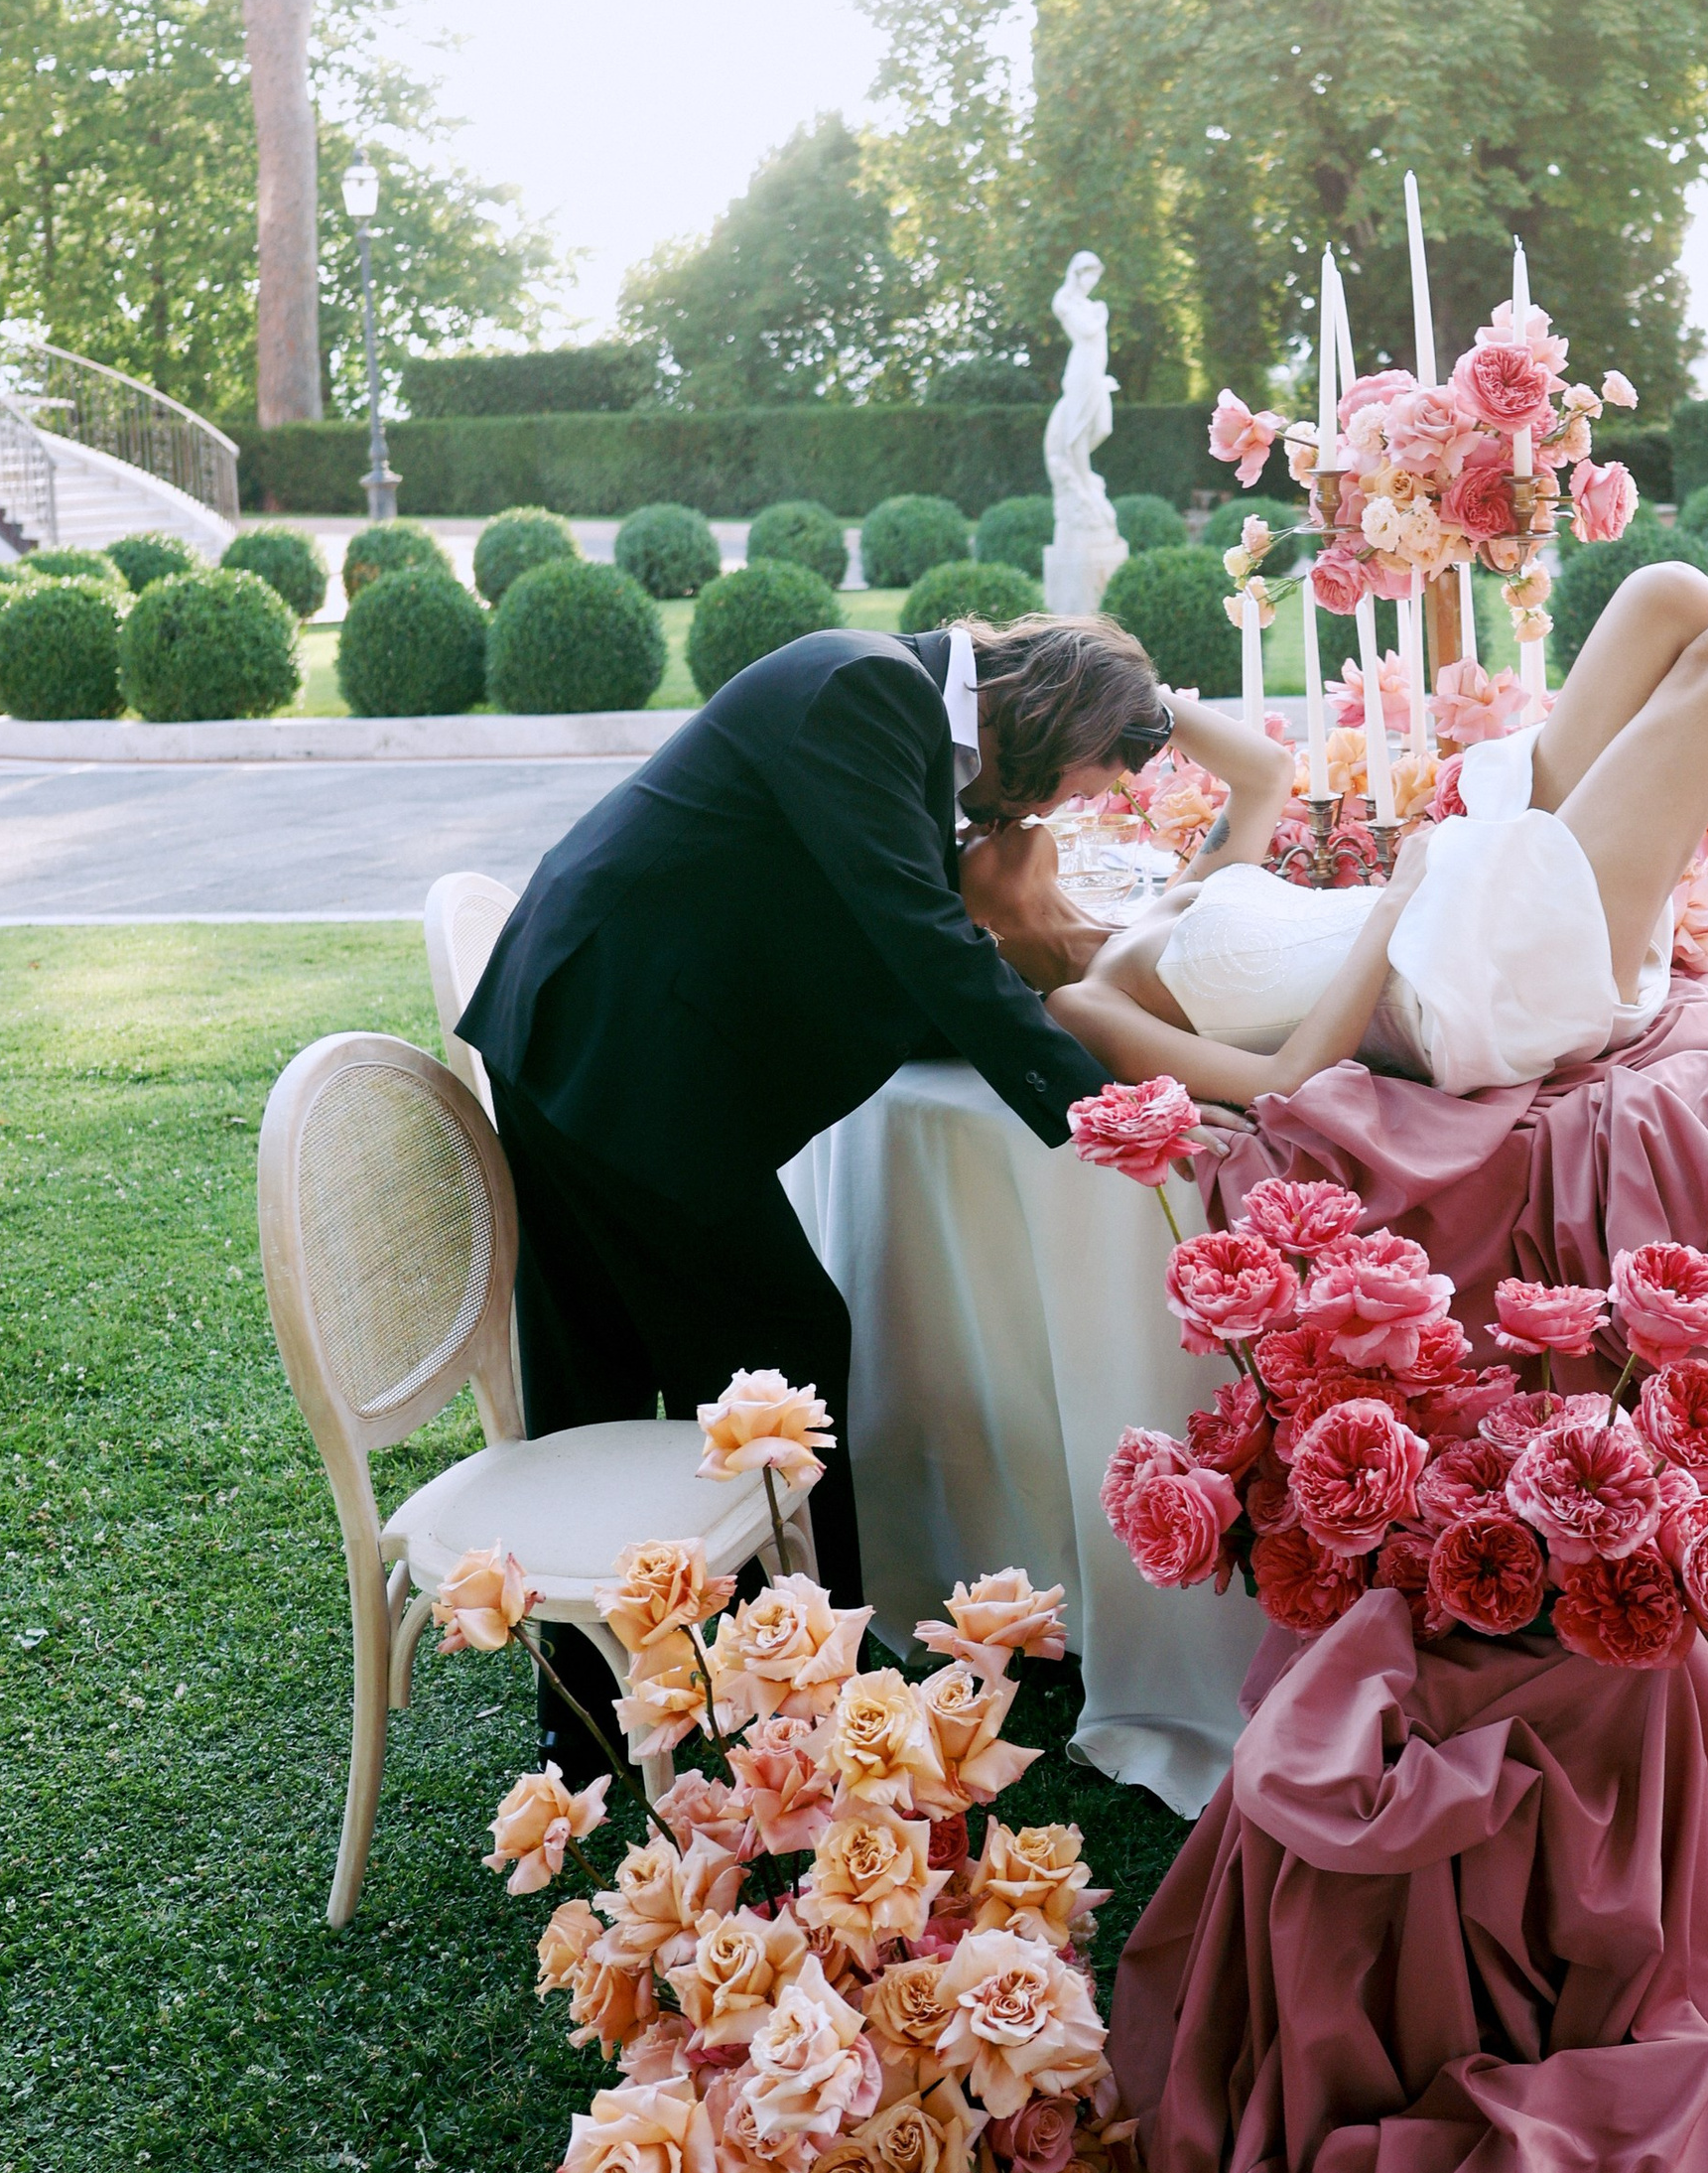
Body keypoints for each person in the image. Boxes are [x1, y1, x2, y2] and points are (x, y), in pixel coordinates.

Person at [1048, 233, 1708, 1104]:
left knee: (1668, 596)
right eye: (983, 831)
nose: (1019, 828)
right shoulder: (1087, 1004)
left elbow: (1260, 774)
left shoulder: (1178, 889)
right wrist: (1394, 903)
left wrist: (1096, 700)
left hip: (1462, 900)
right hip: (1470, 981)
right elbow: (1280, 1081)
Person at [458, 611, 1172, 1697]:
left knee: (603, 1370)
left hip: (600, 1023)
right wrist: (1103, 1110)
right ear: (1059, 717)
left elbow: (877, 936)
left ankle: (618, 1692)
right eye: (1087, 780)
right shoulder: (865, 693)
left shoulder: (898, 718)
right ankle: (796, 1679)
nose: (1071, 806)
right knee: (769, 1351)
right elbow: (918, 933)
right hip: (621, 1042)